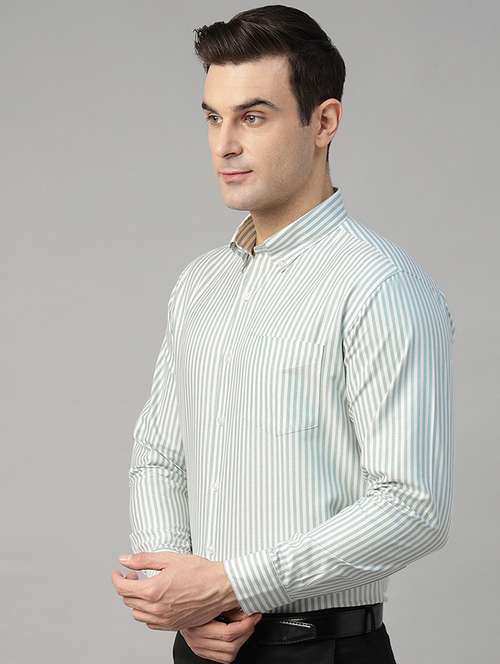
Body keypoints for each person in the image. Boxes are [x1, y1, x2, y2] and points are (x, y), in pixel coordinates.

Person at [111, 5, 455, 663]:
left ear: (323, 122)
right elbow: (159, 454)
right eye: (213, 117)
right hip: (202, 645)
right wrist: (178, 590)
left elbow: (414, 508)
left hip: (323, 651)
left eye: (253, 117)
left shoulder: (380, 286)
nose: (224, 144)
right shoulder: (200, 284)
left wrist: (232, 583)